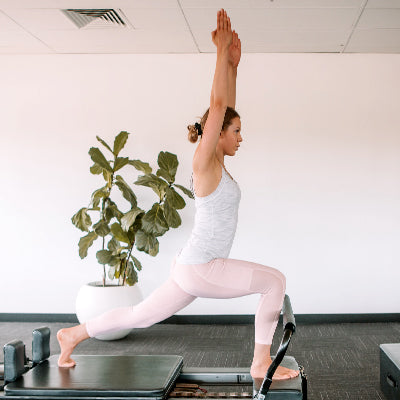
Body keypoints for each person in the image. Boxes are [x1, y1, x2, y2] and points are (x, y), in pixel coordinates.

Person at [57, 8, 299, 381]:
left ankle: (72, 335)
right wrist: (219, 53)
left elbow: (225, 106)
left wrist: (233, 66)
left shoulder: (217, 159)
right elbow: (218, 109)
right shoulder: (205, 161)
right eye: (235, 131)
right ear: (216, 133)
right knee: (274, 281)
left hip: (192, 267)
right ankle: (260, 361)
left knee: (140, 315)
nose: (240, 136)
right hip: (202, 267)